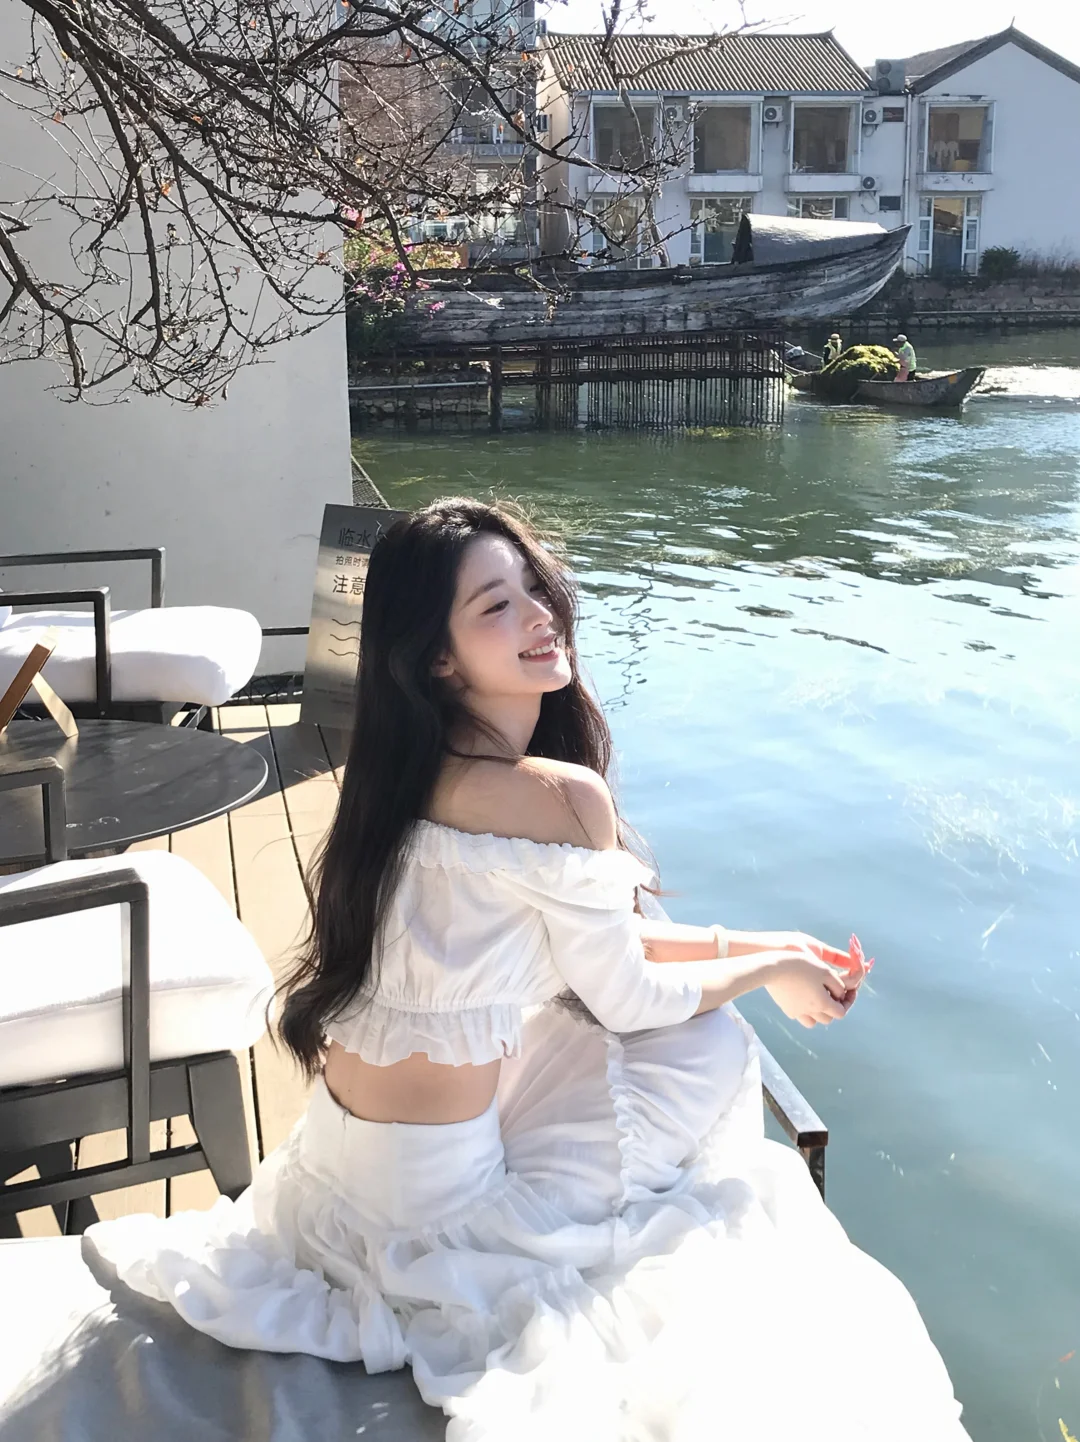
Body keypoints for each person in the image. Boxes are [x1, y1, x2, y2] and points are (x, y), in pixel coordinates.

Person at [87, 499, 970, 1442]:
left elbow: (601, 951)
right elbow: (628, 998)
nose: (541, 616)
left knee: (611, 1027)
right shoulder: (556, 797)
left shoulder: (404, 776)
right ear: (438, 657)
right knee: (708, 1046)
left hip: (338, 1185)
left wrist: (774, 948)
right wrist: (764, 974)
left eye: (535, 590)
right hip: (441, 1223)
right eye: (496, 606)